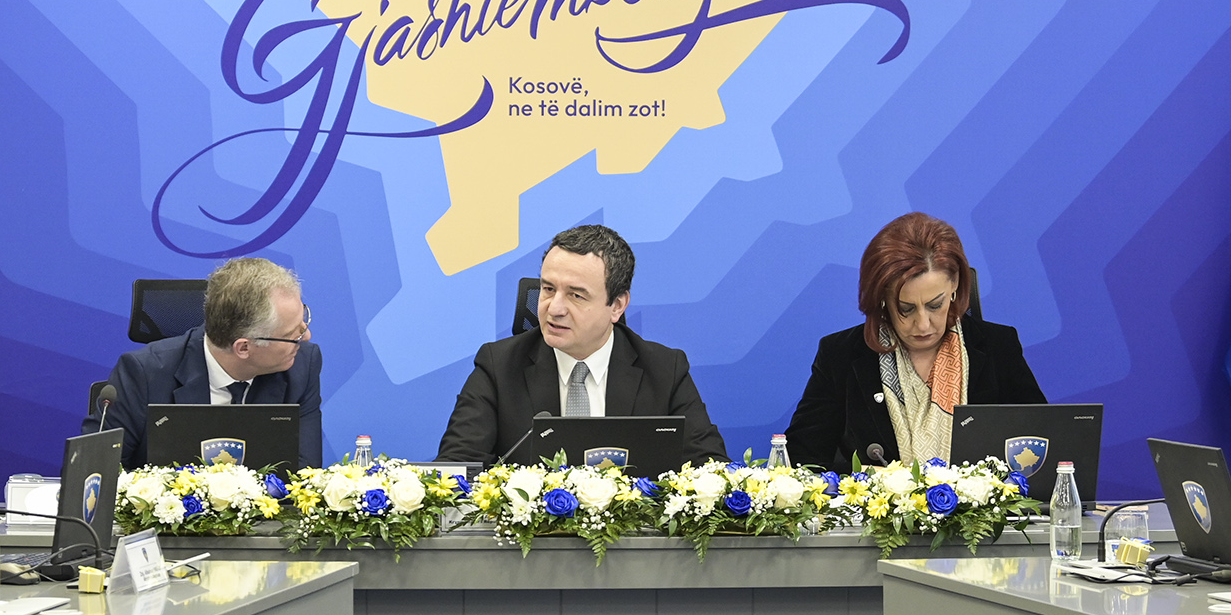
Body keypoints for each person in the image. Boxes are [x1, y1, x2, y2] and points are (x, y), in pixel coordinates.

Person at [438, 224, 728, 465]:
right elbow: (457, 468)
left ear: (617, 305)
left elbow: (709, 470)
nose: (554, 309)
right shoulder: (499, 367)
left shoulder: (664, 370)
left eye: (576, 295)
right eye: (548, 289)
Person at [785, 212, 1046, 470]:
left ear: (954, 284)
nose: (923, 324)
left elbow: (1045, 442)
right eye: (905, 309)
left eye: (935, 305)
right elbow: (800, 460)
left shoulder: (998, 346)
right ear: (881, 298)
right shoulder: (839, 354)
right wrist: (865, 476)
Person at [103, 258, 323, 471]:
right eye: (292, 334)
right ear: (243, 348)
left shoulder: (302, 366)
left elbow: (304, 472)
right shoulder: (143, 374)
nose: (306, 336)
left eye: (303, 320)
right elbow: (100, 471)